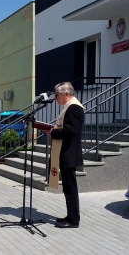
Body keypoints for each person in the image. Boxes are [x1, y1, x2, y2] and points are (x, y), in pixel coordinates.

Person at [44, 82, 84, 229]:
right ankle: (70, 216)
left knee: (70, 188)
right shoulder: (71, 107)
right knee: (68, 188)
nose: (55, 98)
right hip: (67, 152)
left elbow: (70, 131)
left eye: (57, 95)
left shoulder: (73, 108)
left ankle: (74, 220)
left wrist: (53, 132)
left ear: (66, 94)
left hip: (69, 153)